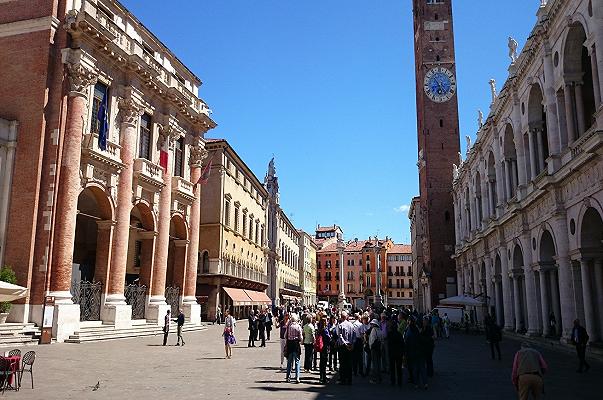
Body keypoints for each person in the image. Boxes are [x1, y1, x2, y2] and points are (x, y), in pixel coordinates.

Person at [405, 317, 427, 390]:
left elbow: (407, 345)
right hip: (421, 353)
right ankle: (425, 383)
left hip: (413, 353)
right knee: (422, 369)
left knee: (415, 369)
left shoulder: (409, 334)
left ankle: (416, 383)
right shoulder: (418, 334)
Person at [337, 310, 356, 385]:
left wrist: (345, 344)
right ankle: (349, 379)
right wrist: (352, 344)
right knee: (349, 363)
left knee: (342, 364)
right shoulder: (351, 325)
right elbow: (354, 335)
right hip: (350, 345)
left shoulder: (340, 325)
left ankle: (343, 379)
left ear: (341, 317)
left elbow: (340, 336)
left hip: (343, 347)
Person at [285, 313, 303, 383]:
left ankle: (288, 377)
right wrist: (301, 341)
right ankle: (297, 377)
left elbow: (285, 335)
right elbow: (301, 337)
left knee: (289, 361)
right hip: (296, 344)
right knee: (297, 361)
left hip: (290, 344)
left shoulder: (289, 326)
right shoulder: (298, 326)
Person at [388, 316, 405, 386]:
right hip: (399, 353)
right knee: (399, 368)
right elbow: (402, 344)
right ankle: (399, 381)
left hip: (392, 353)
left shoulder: (390, 334)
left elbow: (388, 344)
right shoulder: (399, 334)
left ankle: (393, 381)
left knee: (392, 368)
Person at [316, 317, 331, 383]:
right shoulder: (325, 330)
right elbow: (328, 338)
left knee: (321, 362)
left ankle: (321, 377)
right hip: (325, 347)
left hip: (321, 347)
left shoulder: (319, 329)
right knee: (324, 363)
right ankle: (323, 378)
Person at [367, 319, 382, 384]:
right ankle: (379, 377)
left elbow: (372, 340)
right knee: (378, 363)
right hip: (379, 348)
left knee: (375, 364)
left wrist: (370, 347)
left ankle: (375, 378)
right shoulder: (379, 330)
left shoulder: (373, 330)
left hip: (374, 349)